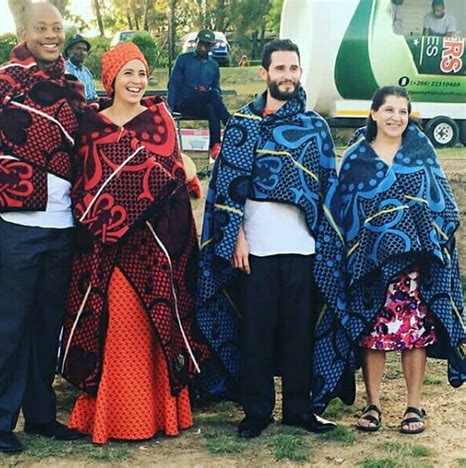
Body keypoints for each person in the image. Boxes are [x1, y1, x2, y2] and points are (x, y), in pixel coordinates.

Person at [59, 42, 210, 445]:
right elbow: (84, 183)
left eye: (142, 73)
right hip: (111, 248)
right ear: (110, 79)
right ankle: (121, 416)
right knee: (121, 326)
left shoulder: (160, 119)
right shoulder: (92, 126)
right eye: (128, 73)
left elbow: (175, 174)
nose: (137, 81)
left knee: (155, 323)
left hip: (158, 243)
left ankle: (164, 412)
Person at [196, 39, 344, 438]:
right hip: (255, 248)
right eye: (280, 69)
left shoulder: (316, 127)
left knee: (300, 333)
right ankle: (256, 410)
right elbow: (226, 189)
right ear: (264, 73)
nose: (287, 76)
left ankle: (299, 408)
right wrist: (236, 237)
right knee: (256, 333)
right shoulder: (243, 124)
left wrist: (327, 244)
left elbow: (327, 190)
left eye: (293, 69)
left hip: (303, 248)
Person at [321, 86, 465, 434]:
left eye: (402, 111)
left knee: (414, 333)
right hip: (370, 265)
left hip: (416, 263)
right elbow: (343, 210)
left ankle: (413, 406)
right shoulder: (356, 157)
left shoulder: (421, 151)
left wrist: (432, 240)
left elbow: (442, 202)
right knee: (374, 333)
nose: (395, 117)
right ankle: (374, 406)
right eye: (388, 110)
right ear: (373, 114)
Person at [0, 2, 85, 453]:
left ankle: (41, 416)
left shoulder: (73, 87)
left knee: (48, 326)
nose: (51, 35)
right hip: (14, 223)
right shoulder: (1, 83)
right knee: (7, 327)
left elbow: (90, 147)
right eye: (41, 28)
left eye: (57, 27)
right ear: (24, 31)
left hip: (62, 222)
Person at [167, 29, 231, 162]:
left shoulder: (213, 65)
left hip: (203, 103)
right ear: (196, 42)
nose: (203, 47)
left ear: (211, 46)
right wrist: (170, 107)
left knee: (212, 106)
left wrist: (208, 93)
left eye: (207, 45)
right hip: (184, 102)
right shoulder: (183, 59)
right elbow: (173, 84)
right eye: (201, 43)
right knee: (213, 95)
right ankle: (230, 123)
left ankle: (215, 146)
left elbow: (216, 87)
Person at [64, 34, 98, 102]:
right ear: (69, 51)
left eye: (85, 50)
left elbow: (93, 95)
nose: (82, 52)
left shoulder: (86, 72)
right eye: (78, 48)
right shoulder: (63, 69)